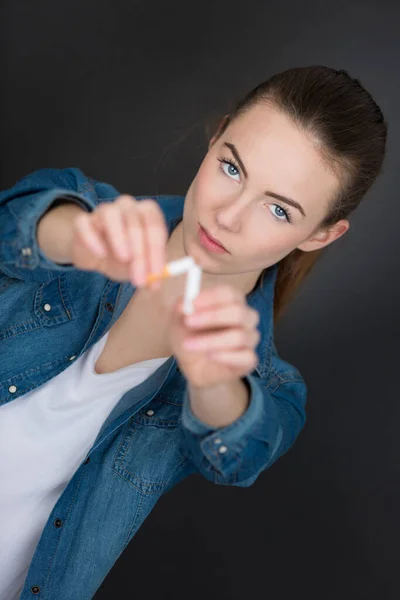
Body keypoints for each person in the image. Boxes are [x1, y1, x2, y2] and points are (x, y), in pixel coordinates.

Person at [0, 65, 387, 599]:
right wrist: (77, 236)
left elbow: (240, 447)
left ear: (322, 234)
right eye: (232, 168)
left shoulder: (270, 387)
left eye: (278, 209)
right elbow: (17, 222)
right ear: (216, 138)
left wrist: (214, 382)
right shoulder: (89, 208)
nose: (228, 217)